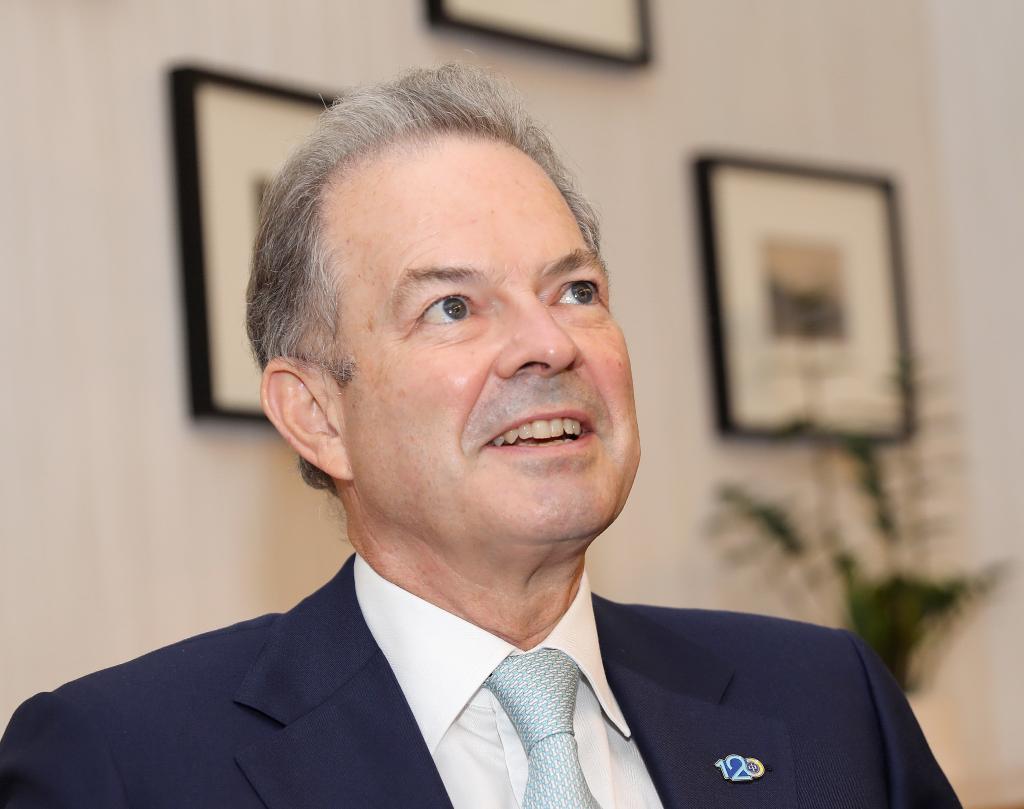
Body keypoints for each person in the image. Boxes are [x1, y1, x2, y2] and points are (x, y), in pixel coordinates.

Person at [0, 64, 959, 809]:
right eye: (453, 306)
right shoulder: (120, 764)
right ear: (316, 414)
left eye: (575, 290)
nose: (550, 343)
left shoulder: (828, 702)